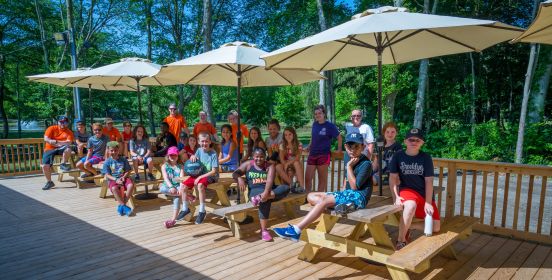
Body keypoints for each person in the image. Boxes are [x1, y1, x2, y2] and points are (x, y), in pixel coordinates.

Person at [273, 133, 372, 241]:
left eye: (356, 146)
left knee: (323, 201)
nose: (352, 150)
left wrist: (349, 167)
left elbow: (354, 187)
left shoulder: (366, 163)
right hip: (347, 194)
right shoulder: (347, 156)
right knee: (310, 196)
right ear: (345, 146)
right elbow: (346, 179)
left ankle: (296, 230)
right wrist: (342, 190)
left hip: (359, 197)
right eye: (350, 146)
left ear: (363, 147)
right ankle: (343, 205)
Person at [390, 128, 440, 250]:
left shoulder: (426, 158)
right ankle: (401, 240)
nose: (414, 142)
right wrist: (396, 197)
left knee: (436, 227)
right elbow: (393, 178)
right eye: (411, 139)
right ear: (405, 141)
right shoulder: (398, 156)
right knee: (410, 206)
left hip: (424, 194)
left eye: (417, 140)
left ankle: (408, 226)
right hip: (407, 190)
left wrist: (428, 203)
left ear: (422, 142)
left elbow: (429, 181)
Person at [233, 147, 290, 241]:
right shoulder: (248, 165)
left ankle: (260, 198)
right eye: (256, 157)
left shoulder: (270, 166)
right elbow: (235, 173)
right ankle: (263, 230)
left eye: (261, 157)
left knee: (286, 188)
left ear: (265, 157)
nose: (259, 159)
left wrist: (265, 193)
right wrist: (239, 178)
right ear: (253, 156)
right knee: (265, 200)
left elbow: (270, 181)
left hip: (268, 190)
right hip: (255, 191)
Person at [177, 132, 219, 225]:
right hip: (199, 174)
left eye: (206, 141)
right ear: (199, 142)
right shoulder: (199, 150)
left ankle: (202, 210)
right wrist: (192, 156)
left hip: (211, 176)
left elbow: (214, 171)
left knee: (200, 185)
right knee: (183, 186)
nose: (204, 143)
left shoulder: (213, 153)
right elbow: (194, 158)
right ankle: (185, 208)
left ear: (210, 142)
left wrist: (199, 177)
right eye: (202, 141)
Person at [304, 105, 342, 193]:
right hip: (312, 154)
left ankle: (319, 199)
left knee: (322, 180)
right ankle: (308, 197)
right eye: (316, 114)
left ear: (324, 114)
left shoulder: (330, 126)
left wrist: (339, 149)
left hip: (323, 155)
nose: (317, 115)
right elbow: (313, 137)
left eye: (319, 113)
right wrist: (309, 146)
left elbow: (339, 137)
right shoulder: (314, 124)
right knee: (307, 178)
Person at [41, 116, 75, 190]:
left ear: (67, 123)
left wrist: (56, 141)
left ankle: (63, 164)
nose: (63, 123)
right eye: (61, 122)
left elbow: (68, 143)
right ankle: (49, 182)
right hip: (49, 148)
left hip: (61, 148)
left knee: (68, 149)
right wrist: (53, 142)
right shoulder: (51, 128)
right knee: (44, 166)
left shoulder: (69, 132)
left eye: (65, 122)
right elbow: (46, 138)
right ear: (58, 122)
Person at [102, 141, 134, 216]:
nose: (114, 152)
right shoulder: (107, 162)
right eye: (111, 150)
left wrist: (124, 177)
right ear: (108, 151)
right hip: (113, 179)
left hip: (123, 178)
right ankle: (124, 206)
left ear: (118, 150)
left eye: (115, 150)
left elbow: (127, 171)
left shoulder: (123, 159)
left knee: (131, 185)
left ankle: (122, 205)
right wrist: (116, 179)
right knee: (114, 188)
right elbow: (107, 175)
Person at [159, 146, 185, 228]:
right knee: (161, 188)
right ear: (168, 156)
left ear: (178, 156)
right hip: (168, 186)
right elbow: (166, 178)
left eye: (175, 155)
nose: (173, 157)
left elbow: (181, 179)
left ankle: (173, 220)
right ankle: (185, 196)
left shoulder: (180, 166)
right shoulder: (164, 166)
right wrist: (171, 187)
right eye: (171, 155)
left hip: (177, 186)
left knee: (177, 199)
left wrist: (180, 189)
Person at [373, 122, 402, 186]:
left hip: (390, 175)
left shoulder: (397, 146)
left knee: (370, 181)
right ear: (384, 133)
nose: (390, 134)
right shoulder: (380, 145)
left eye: (392, 132)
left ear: (396, 133)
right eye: (387, 132)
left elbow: (399, 164)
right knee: (364, 178)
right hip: (379, 174)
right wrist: (369, 172)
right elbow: (375, 163)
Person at [277, 127, 305, 192]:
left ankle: (301, 187)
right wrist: (285, 164)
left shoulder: (299, 144)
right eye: (286, 135)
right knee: (278, 166)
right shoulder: (282, 145)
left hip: (295, 163)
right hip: (286, 163)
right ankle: (291, 184)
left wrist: (288, 163)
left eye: (290, 134)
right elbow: (281, 158)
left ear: (293, 135)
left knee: (296, 163)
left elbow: (297, 157)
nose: (288, 136)